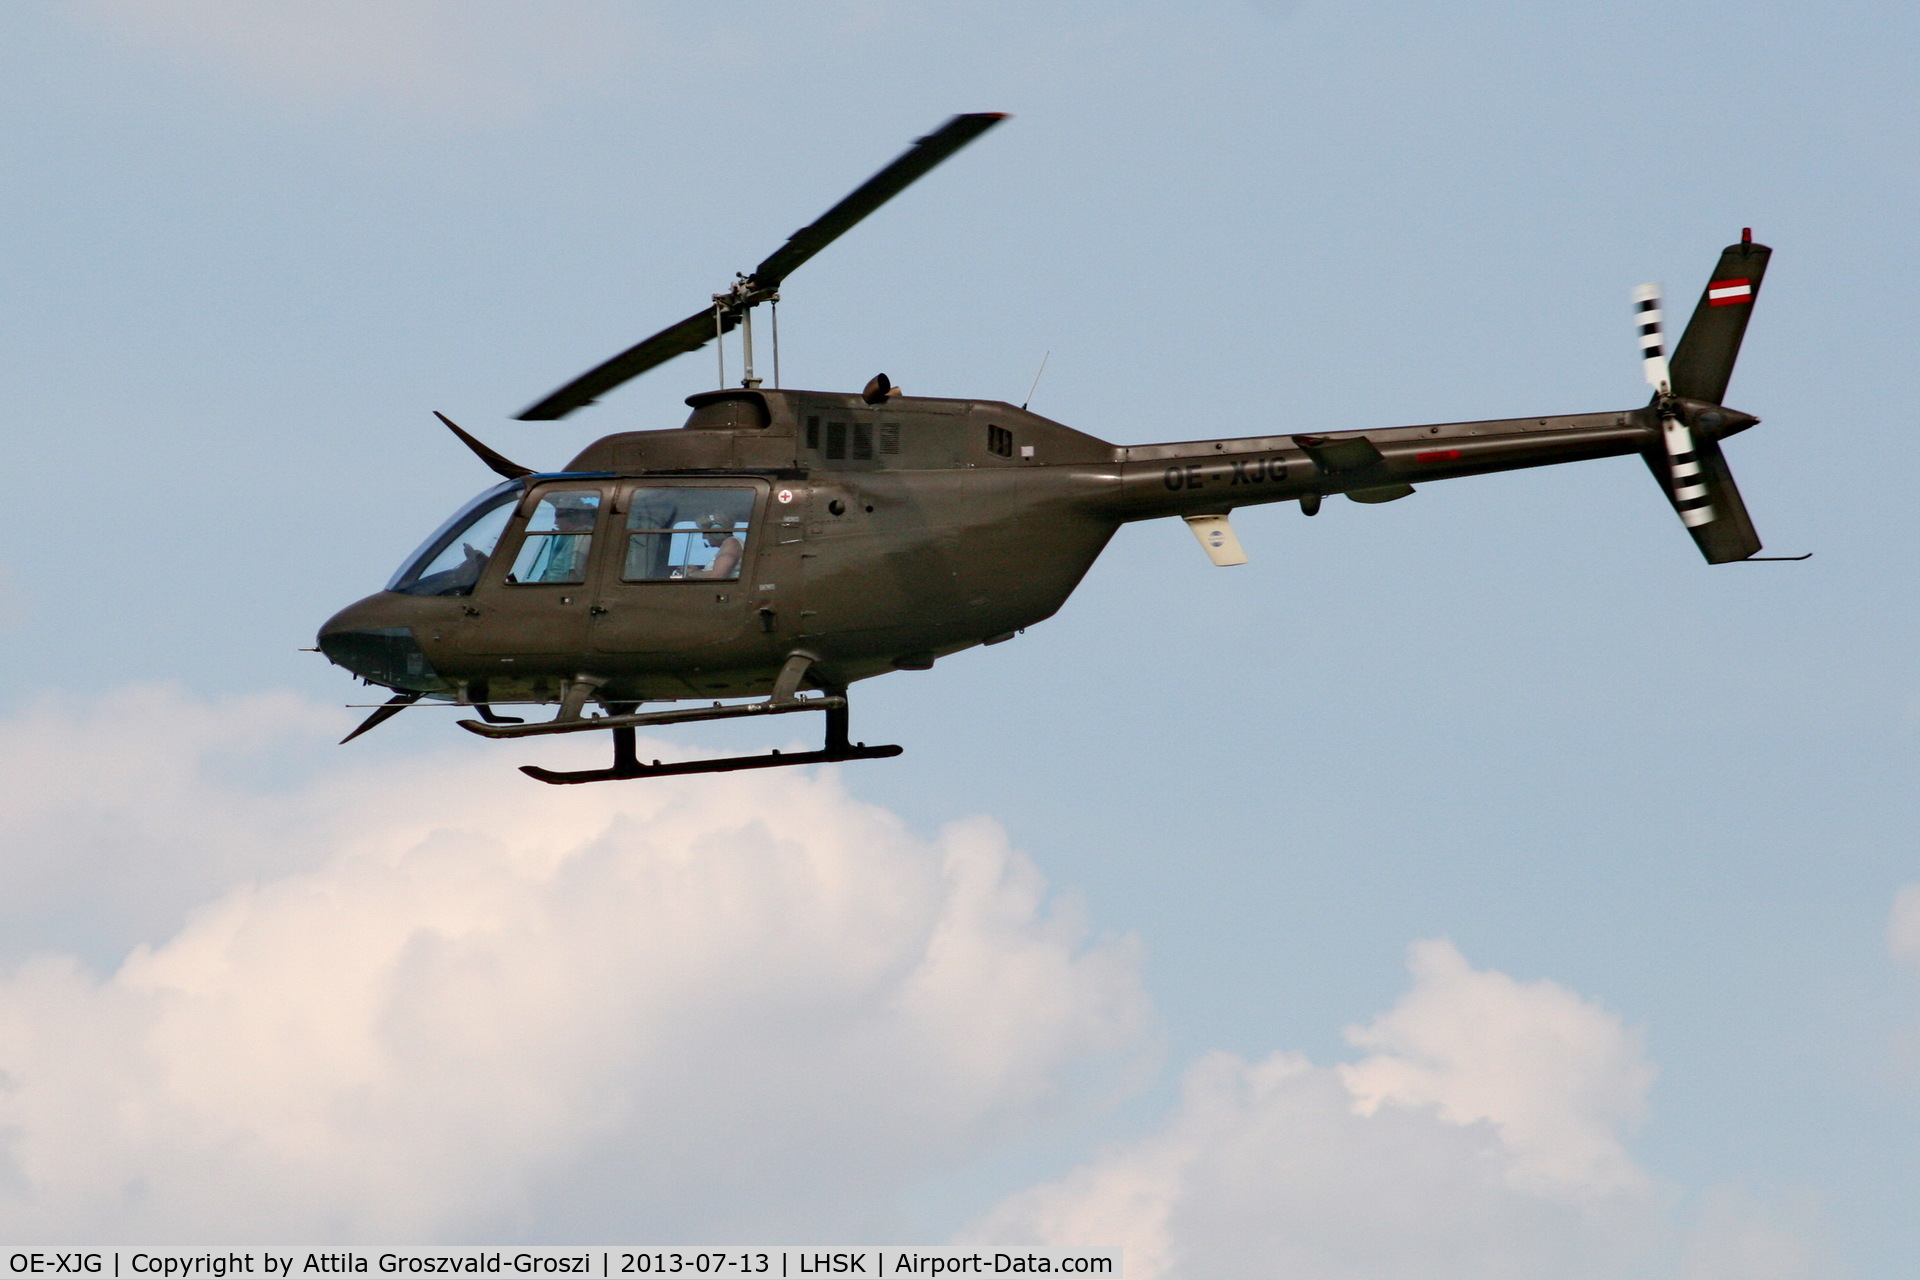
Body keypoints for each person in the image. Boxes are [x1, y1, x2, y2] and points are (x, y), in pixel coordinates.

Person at [687, 514, 743, 579]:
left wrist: (692, 573)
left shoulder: (731, 543)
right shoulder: (730, 544)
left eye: (704, 532)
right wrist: (697, 571)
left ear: (716, 531)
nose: (703, 537)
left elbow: (718, 575)